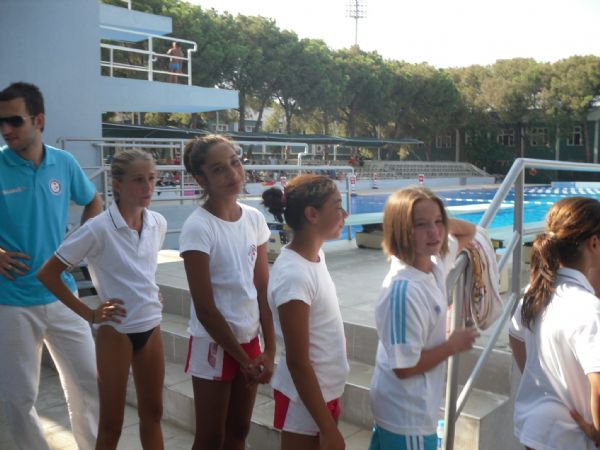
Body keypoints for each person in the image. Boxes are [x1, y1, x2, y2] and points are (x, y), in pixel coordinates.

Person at [38, 149, 167, 450]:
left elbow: (141, 268)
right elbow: (48, 273)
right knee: (111, 424)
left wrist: (151, 290)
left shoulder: (157, 223)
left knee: (153, 414)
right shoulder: (98, 228)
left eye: (151, 178)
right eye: (138, 180)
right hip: (116, 331)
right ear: (117, 184)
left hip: (151, 325)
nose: (148, 187)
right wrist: (90, 313)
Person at [0, 81, 103, 449]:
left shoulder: (64, 163)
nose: (6, 129)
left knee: (88, 381)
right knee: (18, 398)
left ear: (38, 120)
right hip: (11, 301)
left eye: (15, 120)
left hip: (62, 295)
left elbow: (94, 201)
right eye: (1, 122)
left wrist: (77, 246)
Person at [179, 135, 276, 450]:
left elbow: (262, 289)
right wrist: (242, 359)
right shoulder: (199, 227)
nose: (233, 173)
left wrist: (270, 350)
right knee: (210, 438)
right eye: (219, 169)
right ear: (201, 179)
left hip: (249, 340)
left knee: (239, 431)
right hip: (214, 342)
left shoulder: (254, 219)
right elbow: (205, 308)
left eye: (235, 162)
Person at [368, 187, 479, 450]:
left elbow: (469, 231)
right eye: (421, 225)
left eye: (439, 222)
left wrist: (435, 218)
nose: (435, 233)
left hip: (404, 411)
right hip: (407, 417)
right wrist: (452, 345)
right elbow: (404, 368)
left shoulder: (433, 266)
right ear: (400, 231)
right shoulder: (403, 290)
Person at [262, 174, 350, 450]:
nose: (345, 214)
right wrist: (327, 427)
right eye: (338, 206)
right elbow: (298, 361)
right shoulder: (294, 276)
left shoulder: (315, 257)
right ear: (312, 214)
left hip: (322, 391)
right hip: (304, 400)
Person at [509, 197, 600, 450]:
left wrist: (543, 379)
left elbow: (515, 336)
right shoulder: (587, 308)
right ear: (594, 243)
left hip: (535, 431)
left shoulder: (534, 295)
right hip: (571, 438)